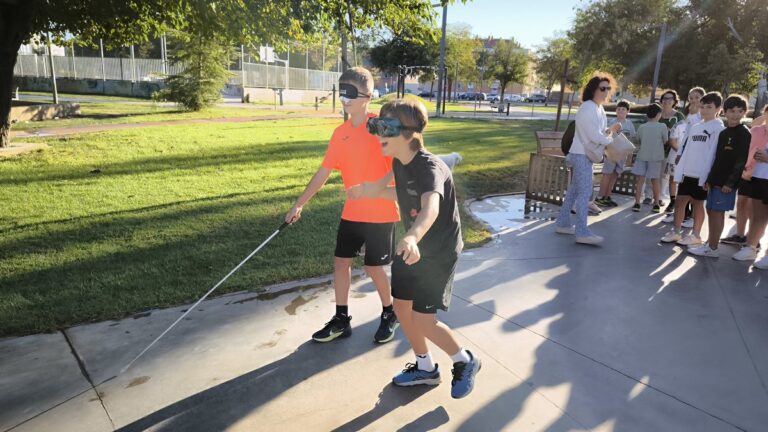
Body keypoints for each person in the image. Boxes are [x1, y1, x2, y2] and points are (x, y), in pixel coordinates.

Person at [349, 98, 481, 399]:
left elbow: (430, 207)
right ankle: (425, 367)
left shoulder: (430, 168)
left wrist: (412, 236)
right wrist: (369, 191)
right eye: (377, 126)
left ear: (408, 133)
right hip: (412, 247)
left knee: (423, 320)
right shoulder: (400, 162)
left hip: (437, 252)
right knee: (401, 307)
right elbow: (399, 192)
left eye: (385, 127)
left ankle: (464, 360)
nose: (378, 133)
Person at [285, 67, 400, 344]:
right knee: (340, 262)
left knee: (373, 268)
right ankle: (341, 319)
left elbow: (402, 163)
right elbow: (323, 172)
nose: (344, 99)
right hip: (353, 211)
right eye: (342, 92)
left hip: (381, 212)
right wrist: (299, 204)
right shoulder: (340, 134)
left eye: (351, 93)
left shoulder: (383, 125)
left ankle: (390, 313)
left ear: (368, 96)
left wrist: (377, 188)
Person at [554, 74, 622, 245]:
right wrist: (610, 138)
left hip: (585, 154)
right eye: (602, 88)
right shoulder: (587, 108)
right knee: (585, 193)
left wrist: (610, 130)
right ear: (593, 89)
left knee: (575, 190)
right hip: (581, 154)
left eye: (608, 88)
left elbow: (599, 132)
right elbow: (594, 135)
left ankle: (563, 223)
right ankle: (582, 232)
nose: (606, 91)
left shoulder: (598, 108)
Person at [688, 95, 751, 257]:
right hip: (715, 180)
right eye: (732, 111)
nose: (735, 114)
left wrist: (730, 183)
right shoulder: (724, 132)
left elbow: (741, 161)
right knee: (711, 210)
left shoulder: (744, 133)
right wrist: (709, 179)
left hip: (726, 184)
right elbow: (716, 159)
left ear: (744, 112)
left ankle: (713, 248)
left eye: (740, 111)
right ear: (725, 112)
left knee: (717, 212)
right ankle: (710, 243)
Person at [661, 92, 725, 246]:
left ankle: (696, 235)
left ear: (718, 108)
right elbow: (685, 146)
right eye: (702, 107)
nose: (704, 110)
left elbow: (716, 154)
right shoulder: (695, 126)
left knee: (697, 204)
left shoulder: (719, 128)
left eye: (709, 107)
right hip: (687, 172)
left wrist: (709, 175)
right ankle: (676, 232)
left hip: (702, 174)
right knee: (680, 202)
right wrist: (680, 160)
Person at [724, 106, 768, 247]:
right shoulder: (755, 130)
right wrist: (743, 169)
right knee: (741, 203)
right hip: (745, 171)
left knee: (754, 210)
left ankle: (754, 239)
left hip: (759, 175)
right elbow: (746, 149)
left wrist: (752, 171)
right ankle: (739, 235)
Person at [664, 87, 705, 228]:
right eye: (691, 98)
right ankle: (681, 214)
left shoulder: (704, 118)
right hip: (684, 158)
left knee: (695, 191)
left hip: (697, 160)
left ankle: (693, 218)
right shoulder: (688, 117)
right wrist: (680, 153)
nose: (694, 100)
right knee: (682, 188)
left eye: (697, 97)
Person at [643, 90, 685, 205]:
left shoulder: (679, 116)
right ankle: (648, 196)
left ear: (675, 101)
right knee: (651, 173)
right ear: (661, 100)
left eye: (670, 98)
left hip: (670, 151)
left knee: (664, 175)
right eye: (665, 98)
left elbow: (682, 133)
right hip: (654, 149)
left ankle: (659, 197)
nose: (667, 101)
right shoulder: (656, 113)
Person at [596, 100, 636, 207]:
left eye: (623, 109)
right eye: (618, 109)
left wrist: (630, 156)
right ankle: (600, 196)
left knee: (615, 174)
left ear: (627, 111)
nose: (620, 111)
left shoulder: (629, 124)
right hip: (611, 152)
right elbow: (605, 134)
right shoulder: (612, 122)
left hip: (622, 154)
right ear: (616, 110)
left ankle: (607, 196)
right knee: (607, 174)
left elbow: (631, 139)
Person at [631, 103, 668, 213]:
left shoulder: (642, 127)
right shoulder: (662, 126)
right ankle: (656, 204)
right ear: (659, 114)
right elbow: (665, 140)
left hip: (642, 156)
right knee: (655, 181)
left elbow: (638, 139)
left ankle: (637, 203)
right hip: (655, 158)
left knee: (640, 181)